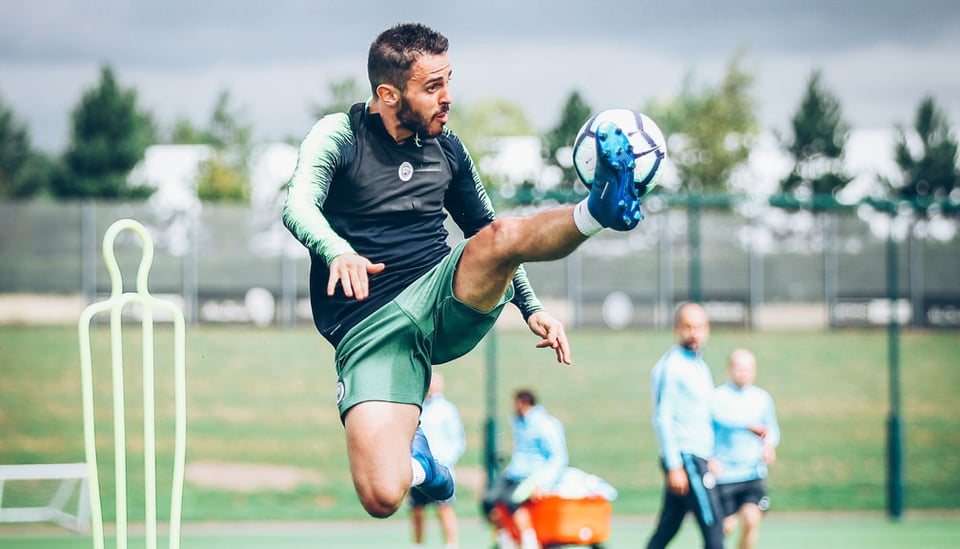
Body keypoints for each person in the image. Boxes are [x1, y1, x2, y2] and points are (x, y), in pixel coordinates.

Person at [281, 22, 645, 518]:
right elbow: (298, 206)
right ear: (388, 94)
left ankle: (600, 208)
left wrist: (531, 307)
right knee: (382, 495)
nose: (447, 97)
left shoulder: (447, 148)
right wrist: (336, 250)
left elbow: (493, 232)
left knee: (495, 236)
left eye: (448, 80)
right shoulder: (340, 135)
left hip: (441, 297)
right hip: (367, 332)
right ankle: (424, 467)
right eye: (432, 87)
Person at [647, 303, 724, 549]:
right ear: (676, 328)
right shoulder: (671, 366)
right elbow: (662, 416)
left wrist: (711, 454)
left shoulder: (700, 365)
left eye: (699, 327)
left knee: (668, 525)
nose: (694, 333)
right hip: (685, 458)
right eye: (688, 327)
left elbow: (704, 415)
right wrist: (674, 465)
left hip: (700, 455)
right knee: (713, 523)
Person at [712, 348, 780, 549]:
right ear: (729, 369)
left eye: (748, 368)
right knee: (726, 527)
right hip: (725, 475)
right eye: (739, 368)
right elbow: (713, 426)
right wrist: (710, 458)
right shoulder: (717, 397)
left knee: (752, 520)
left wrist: (769, 446)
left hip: (752, 473)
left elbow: (771, 430)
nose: (743, 372)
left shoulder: (762, 398)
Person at [483, 389, 568, 549]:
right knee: (489, 501)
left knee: (511, 501)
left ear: (522, 403)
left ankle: (529, 539)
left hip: (532, 475)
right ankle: (505, 536)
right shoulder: (518, 421)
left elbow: (558, 457)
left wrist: (543, 483)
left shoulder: (545, 425)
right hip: (514, 472)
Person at [409, 372, 466, 549]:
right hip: (419, 467)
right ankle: (418, 545)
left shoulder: (447, 410)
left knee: (444, 508)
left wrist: (444, 462)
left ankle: (451, 545)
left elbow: (457, 440)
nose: (430, 386)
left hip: (440, 468)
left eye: (433, 383)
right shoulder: (417, 407)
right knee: (417, 509)